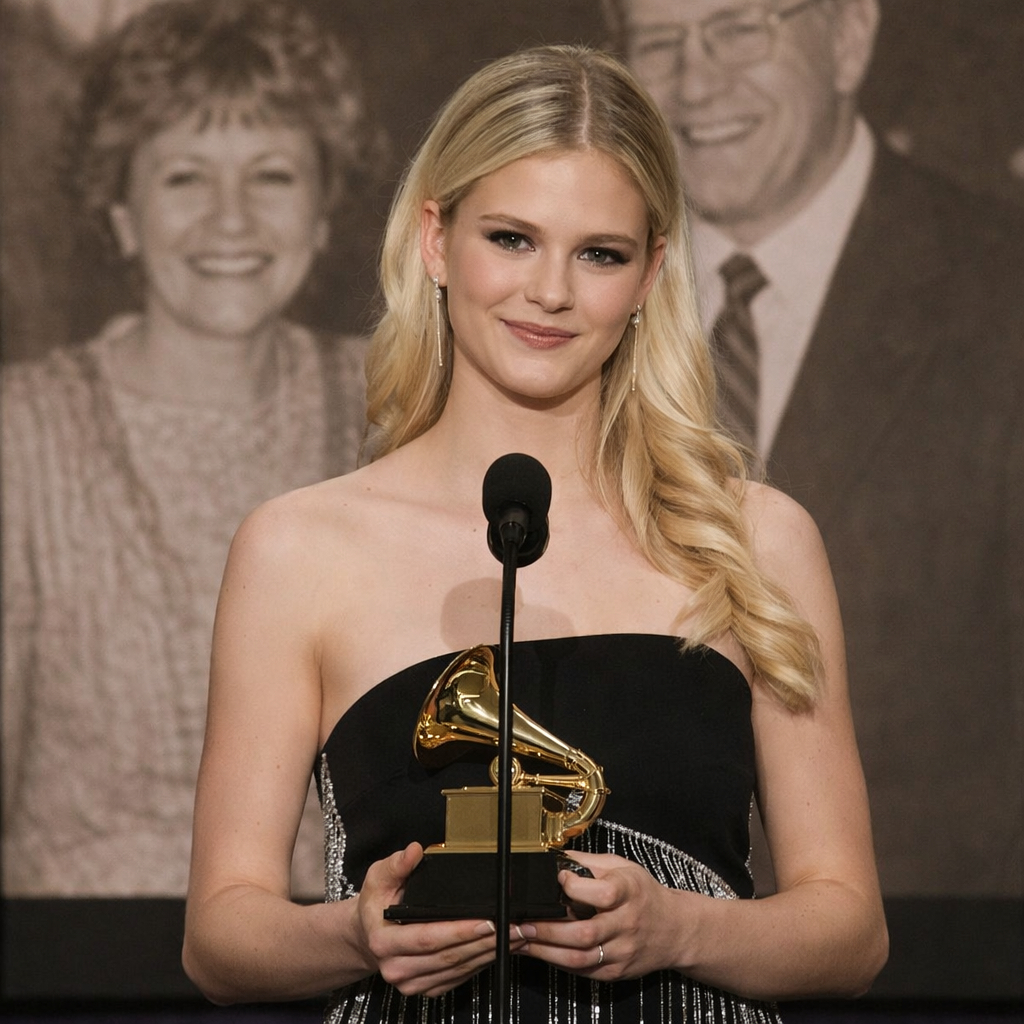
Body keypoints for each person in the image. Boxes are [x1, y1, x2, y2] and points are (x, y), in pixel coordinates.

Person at [182, 44, 887, 1021]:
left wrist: (680, 930)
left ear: (651, 275)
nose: (549, 291)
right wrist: (352, 933)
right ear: (436, 239)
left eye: (599, 252)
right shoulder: (297, 549)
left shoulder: (754, 539)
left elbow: (848, 929)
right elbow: (221, 935)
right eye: (511, 238)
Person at [604, 0, 1024, 898]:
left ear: (848, 39)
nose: (695, 80)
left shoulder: (1002, 292)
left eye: (739, 30)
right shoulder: (567, 294)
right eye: (660, 43)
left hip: (934, 945)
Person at [1, 0, 377, 897]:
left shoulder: (396, 407)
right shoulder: (21, 437)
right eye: (183, 178)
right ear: (121, 212)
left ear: (325, 210)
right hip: (88, 972)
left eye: (273, 176)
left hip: (346, 966)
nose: (231, 220)